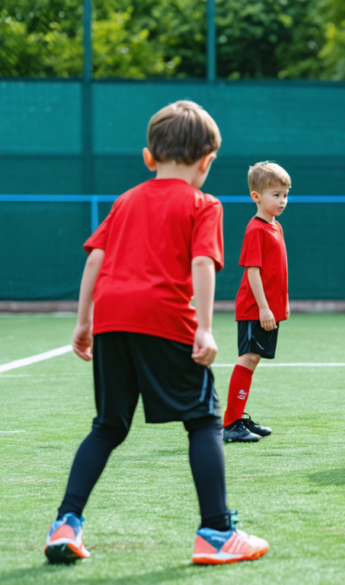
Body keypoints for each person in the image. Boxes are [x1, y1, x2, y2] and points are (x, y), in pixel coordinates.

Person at [45, 100, 268, 565]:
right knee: (205, 421)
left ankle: (65, 525)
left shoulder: (125, 200)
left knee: (107, 426)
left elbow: (95, 260)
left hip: (110, 319)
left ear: (149, 158)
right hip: (166, 321)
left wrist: (84, 323)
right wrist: (204, 328)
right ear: (208, 162)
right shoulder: (205, 204)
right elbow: (203, 262)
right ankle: (216, 532)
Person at [223, 162, 291, 443]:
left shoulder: (276, 226)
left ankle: (237, 420)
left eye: (285, 194)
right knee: (248, 358)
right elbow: (253, 272)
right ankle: (231, 424)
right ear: (256, 196)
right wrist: (263, 307)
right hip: (254, 309)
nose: (282, 201)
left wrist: (279, 305)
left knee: (254, 359)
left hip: (269, 310)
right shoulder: (256, 229)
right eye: (276, 194)